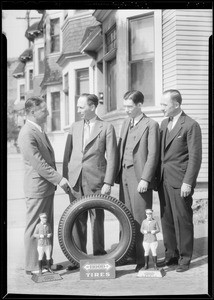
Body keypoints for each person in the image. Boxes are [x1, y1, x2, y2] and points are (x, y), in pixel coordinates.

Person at [63, 93, 118, 271]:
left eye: (81, 107)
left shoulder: (107, 127)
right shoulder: (75, 126)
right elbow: (67, 155)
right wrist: (65, 178)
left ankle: (99, 256)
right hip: (75, 179)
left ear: (92, 107)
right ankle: (77, 258)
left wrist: (108, 182)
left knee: (96, 218)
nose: (78, 110)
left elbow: (113, 156)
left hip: (96, 180)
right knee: (76, 217)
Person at [18, 96, 71, 275]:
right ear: (33, 112)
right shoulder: (27, 133)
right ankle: (33, 266)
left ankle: (46, 263)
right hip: (38, 188)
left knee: (45, 227)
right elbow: (39, 163)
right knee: (35, 228)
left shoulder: (38, 130)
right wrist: (59, 179)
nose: (48, 112)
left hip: (45, 188)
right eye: (44, 110)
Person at [157, 89, 202, 272]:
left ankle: (184, 258)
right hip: (163, 179)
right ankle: (171, 255)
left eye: (164, 105)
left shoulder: (191, 125)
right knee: (166, 219)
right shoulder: (163, 123)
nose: (161, 108)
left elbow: (195, 157)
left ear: (176, 104)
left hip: (180, 180)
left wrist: (188, 182)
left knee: (182, 220)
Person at [116, 90, 160, 272]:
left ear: (140, 105)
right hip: (124, 175)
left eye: (130, 106)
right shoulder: (126, 122)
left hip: (139, 176)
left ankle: (143, 260)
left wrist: (145, 178)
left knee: (141, 216)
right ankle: (128, 253)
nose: (126, 110)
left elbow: (153, 154)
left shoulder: (151, 124)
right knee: (125, 214)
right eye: (125, 106)